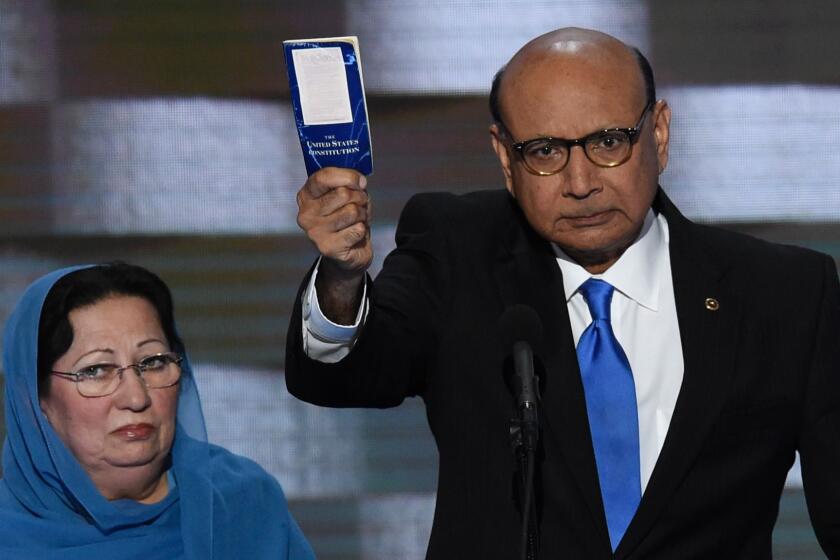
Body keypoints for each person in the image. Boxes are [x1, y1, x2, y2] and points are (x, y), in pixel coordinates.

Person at [286, 27, 840, 559]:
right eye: (546, 151)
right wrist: (342, 277)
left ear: (660, 134)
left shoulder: (784, 295)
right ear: (505, 158)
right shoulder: (459, 252)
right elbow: (346, 373)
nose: (580, 183)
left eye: (607, 142)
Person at [0, 263, 315, 559]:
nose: (136, 398)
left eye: (153, 362)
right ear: (33, 400)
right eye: (96, 370)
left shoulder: (244, 504)